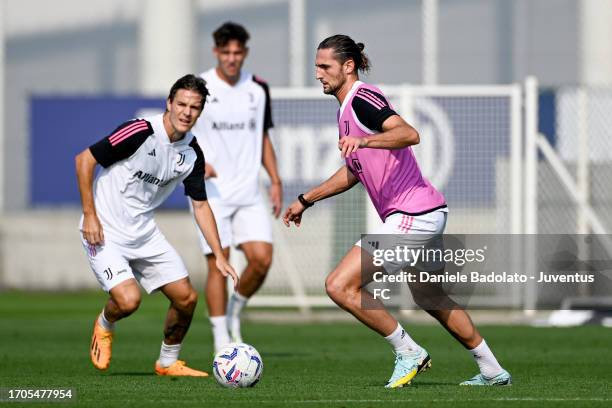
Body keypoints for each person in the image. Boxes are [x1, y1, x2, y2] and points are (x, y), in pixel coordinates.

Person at [283, 35, 512, 388]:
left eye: (324, 66)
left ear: (348, 66)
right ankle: (493, 371)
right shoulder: (346, 109)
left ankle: (409, 352)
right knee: (430, 296)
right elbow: (354, 171)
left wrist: (366, 140)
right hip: (426, 211)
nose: (318, 74)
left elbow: (409, 133)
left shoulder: (362, 98)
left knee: (340, 285)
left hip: (413, 214)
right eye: (316, 66)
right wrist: (306, 199)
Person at [76, 74, 238, 376]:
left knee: (187, 298)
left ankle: (167, 362)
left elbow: (200, 205)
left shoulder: (192, 153)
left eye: (194, 107)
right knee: (128, 300)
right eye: (181, 104)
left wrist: (219, 254)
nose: (186, 112)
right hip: (104, 230)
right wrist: (90, 215)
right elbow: (84, 160)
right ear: (169, 103)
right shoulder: (140, 131)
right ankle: (104, 324)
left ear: (200, 112)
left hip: (144, 232)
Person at [191, 22, 282, 352]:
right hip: (211, 193)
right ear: (216, 52)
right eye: (226, 52)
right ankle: (220, 341)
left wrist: (275, 180)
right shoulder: (200, 86)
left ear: (245, 53)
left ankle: (233, 313)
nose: (232, 58)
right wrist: (198, 161)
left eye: (238, 52)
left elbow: (263, 137)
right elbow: (181, 128)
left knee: (262, 259)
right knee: (220, 261)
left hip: (248, 191)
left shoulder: (258, 89)